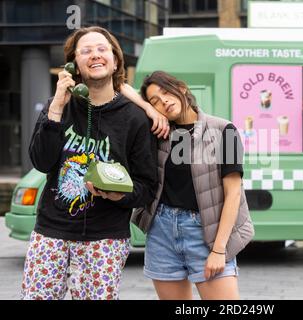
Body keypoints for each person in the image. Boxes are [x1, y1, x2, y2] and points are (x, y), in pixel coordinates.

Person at [21, 26, 158, 300]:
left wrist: (120, 195)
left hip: (106, 236)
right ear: (74, 65)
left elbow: (147, 186)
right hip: (51, 231)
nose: (95, 55)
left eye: (101, 49)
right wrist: (57, 107)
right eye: (86, 51)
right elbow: (41, 161)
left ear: (115, 60)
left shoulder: (135, 119)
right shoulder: (56, 107)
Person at [128, 71, 254, 300]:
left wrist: (218, 250)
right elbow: (120, 88)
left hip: (206, 232)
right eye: (155, 100)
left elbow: (233, 193)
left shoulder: (223, 130)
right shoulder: (159, 133)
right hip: (162, 231)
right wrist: (147, 108)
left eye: (165, 92)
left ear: (182, 88)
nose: (163, 101)